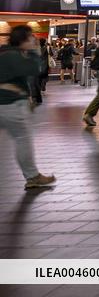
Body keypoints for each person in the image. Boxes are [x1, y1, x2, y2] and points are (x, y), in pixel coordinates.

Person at [0, 25, 56, 189]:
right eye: (31, 36)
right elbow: (35, 68)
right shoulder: (13, 55)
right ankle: (32, 176)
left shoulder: (5, 53)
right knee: (22, 139)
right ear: (23, 39)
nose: (33, 39)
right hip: (10, 104)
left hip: (8, 103)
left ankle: (32, 176)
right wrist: (34, 52)